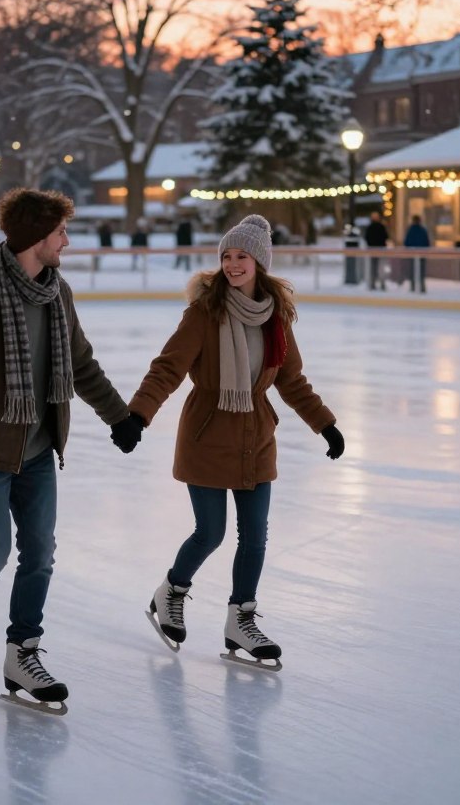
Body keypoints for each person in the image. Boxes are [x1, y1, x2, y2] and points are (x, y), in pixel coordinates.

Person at [0, 188, 143, 711]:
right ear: (37, 237)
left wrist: (120, 416)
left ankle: (22, 654)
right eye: (61, 232)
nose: (67, 242)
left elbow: (81, 365)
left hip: (38, 451)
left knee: (40, 555)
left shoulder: (58, 295)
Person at [127, 214, 344, 667]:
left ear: (260, 262)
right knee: (211, 532)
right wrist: (138, 415)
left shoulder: (276, 319)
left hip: (255, 436)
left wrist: (325, 424)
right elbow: (166, 368)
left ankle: (240, 621)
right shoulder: (203, 314)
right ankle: (171, 592)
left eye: (241, 256)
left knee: (255, 536)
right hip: (208, 432)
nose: (232, 264)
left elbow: (293, 382)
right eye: (226, 256)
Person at [403, 214, 431, 293]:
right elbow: (427, 242)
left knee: (412, 270)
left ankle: (413, 286)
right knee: (421, 271)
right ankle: (422, 287)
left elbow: (406, 242)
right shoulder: (423, 230)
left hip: (412, 254)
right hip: (421, 254)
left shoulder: (410, 230)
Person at [363, 211, 390, 290]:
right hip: (381, 249)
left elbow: (366, 238)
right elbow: (386, 237)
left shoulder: (370, 227)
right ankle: (381, 283)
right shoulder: (381, 226)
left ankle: (373, 283)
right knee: (381, 268)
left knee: (373, 267)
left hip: (372, 249)